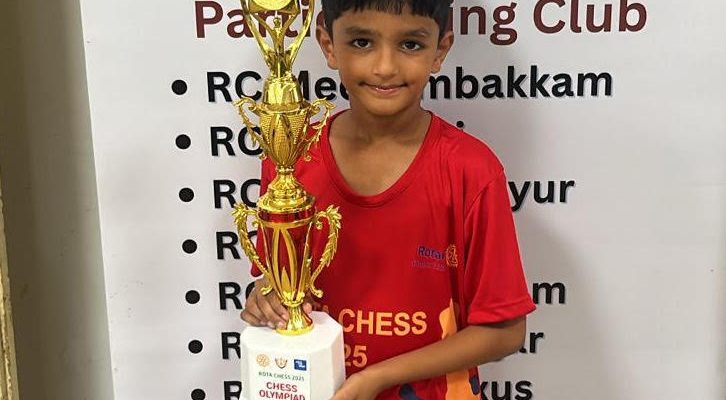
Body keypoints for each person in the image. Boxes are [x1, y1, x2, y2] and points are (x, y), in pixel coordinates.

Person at [240, 1, 536, 399]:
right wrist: (268, 299)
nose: (385, 67)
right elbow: (276, 281)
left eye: (410, 45)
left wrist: (376, 378)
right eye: (362, 42)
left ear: (440, 50)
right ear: (328, 44)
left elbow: (504, 331)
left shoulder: (471, 170)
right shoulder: (290, 158)